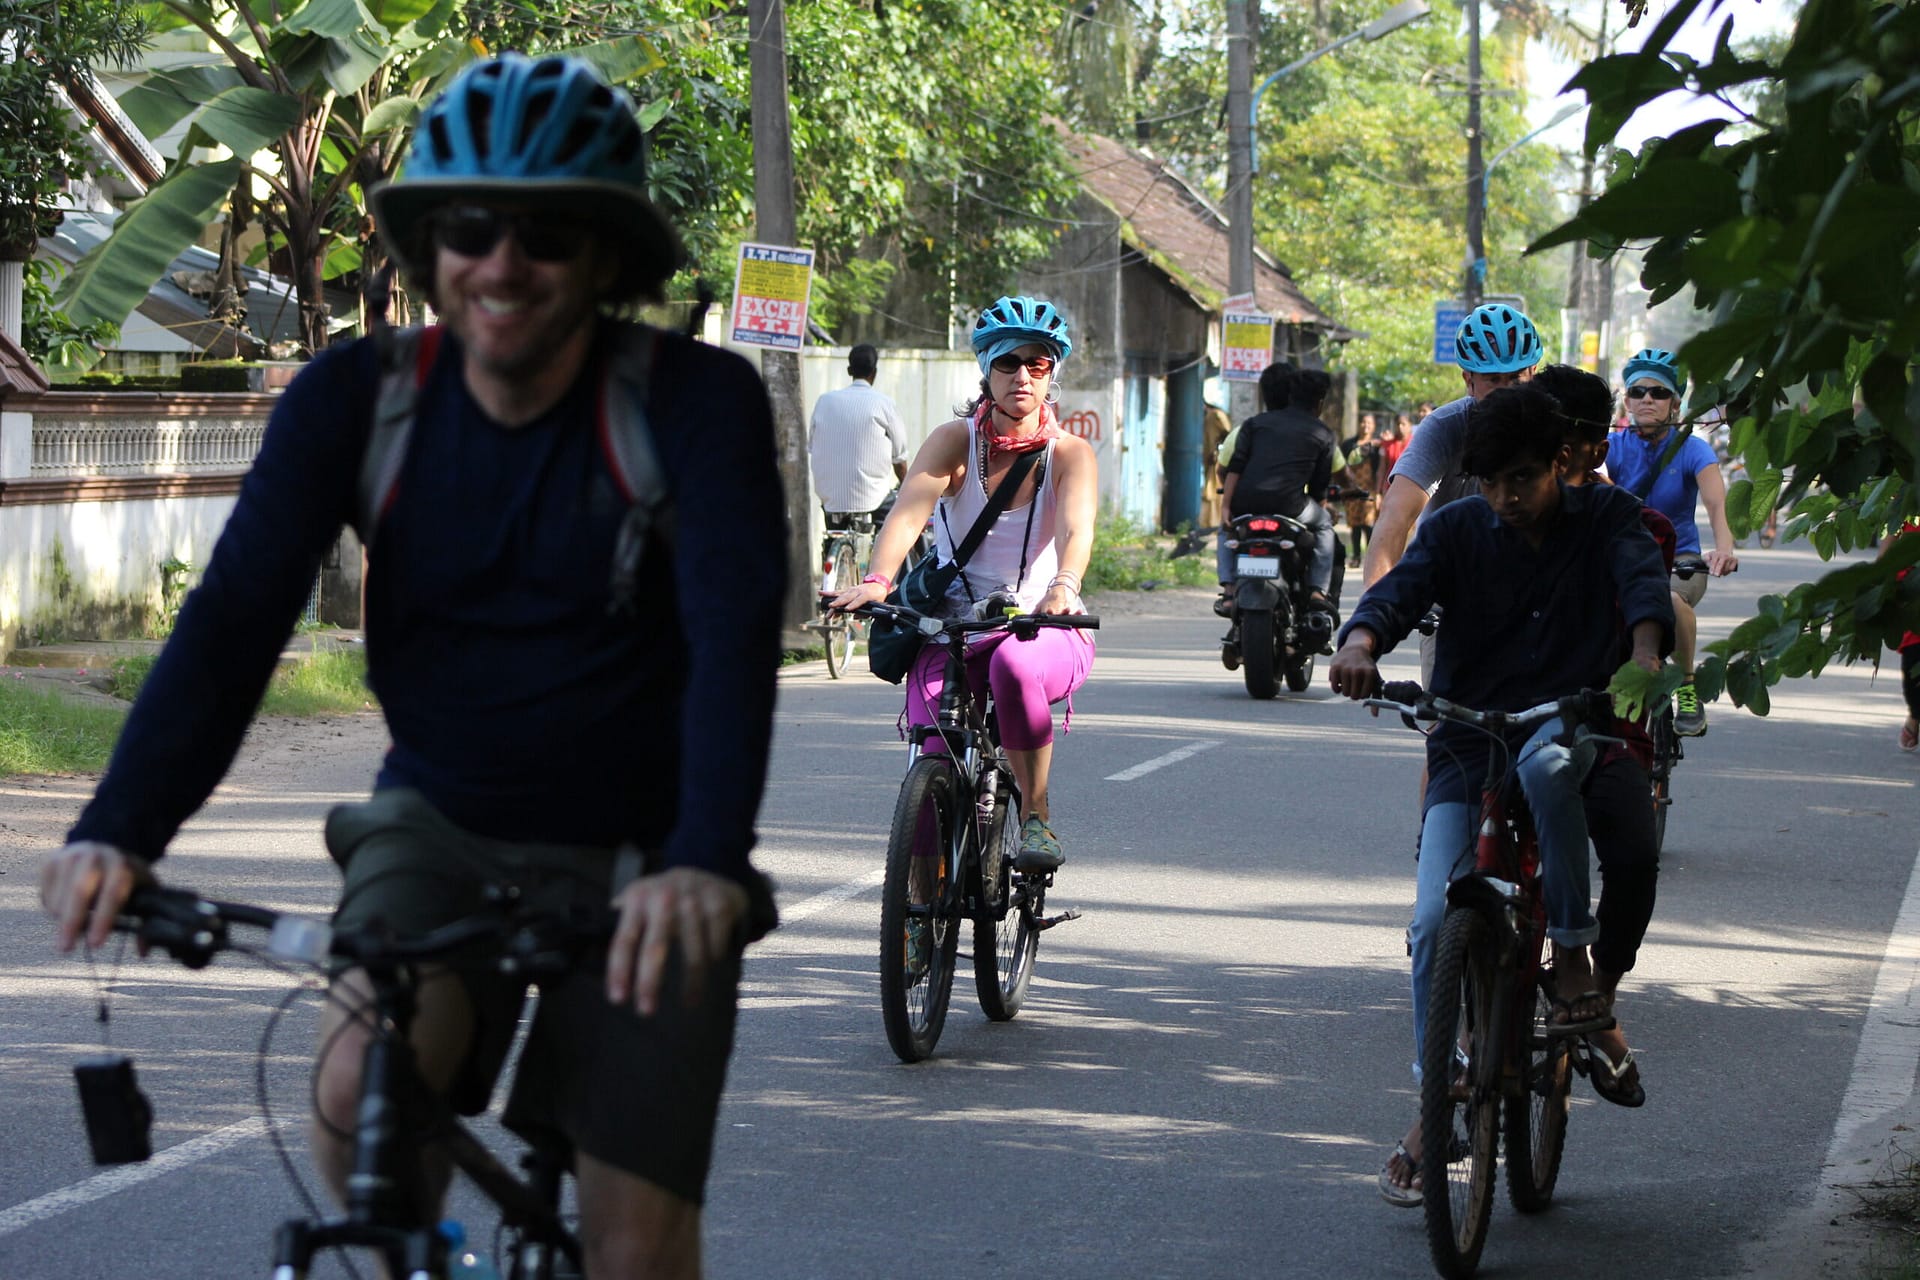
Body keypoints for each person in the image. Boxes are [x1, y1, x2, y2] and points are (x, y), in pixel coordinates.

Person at [38, 54, 784, 1278]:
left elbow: (731, 636)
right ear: (429, 244)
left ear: (606, 257)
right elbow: (231, 627)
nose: (501, 265)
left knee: (635, 1246)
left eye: (546, 233)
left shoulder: (693, 403)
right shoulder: (356, 399)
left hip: (649, 847)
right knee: (351, 1096)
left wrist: (704, 860)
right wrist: (120, 829)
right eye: (471, 228)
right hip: (443, 820)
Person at [1328, 384, 1672, 1206]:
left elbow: (1644, 597)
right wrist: (1361, 640)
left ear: (1563, 462)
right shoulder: (1455, 527)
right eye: (1488, 481)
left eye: (1521, 478)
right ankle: (1438, 1103)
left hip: (1578, 728)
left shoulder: (1609, 520)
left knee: (1628, 851)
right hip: (1470, 740)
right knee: (1429, 924)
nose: (1505, 498)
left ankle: (1592, 983)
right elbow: (1398, 593)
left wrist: (1647, 658)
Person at [830, 295, 1096, 872]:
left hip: (1040, 623)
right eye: (1007, 363)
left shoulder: (1069, 454)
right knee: (931, 750)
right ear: (986, 370)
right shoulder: (956, 440)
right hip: (953, 623)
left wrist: (1065, 585)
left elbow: (1077, 527)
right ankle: (919, 921)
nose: (1022, 376)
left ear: (1052, 373)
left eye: (1038, 363)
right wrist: (878, 580)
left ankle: (1036, 818)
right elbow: (908, 513)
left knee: (1015, 669)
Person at [1605, 348, 1739, 736]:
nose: (1648, 399)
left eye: (1659, 393)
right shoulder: (1612, 446)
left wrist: (1724, 548)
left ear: (1675, 404)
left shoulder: (1693, 448)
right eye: (1639, 391)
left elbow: (1716, 505)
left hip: (1679, 561)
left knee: (1670, 600)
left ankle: (1687, 688)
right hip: (1624, 560)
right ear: (1626, 401)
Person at [1218, 365, 1340, 617]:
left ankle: (1229, 590)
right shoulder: (1322, 433)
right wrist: (1323, 507)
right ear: (1319, 403)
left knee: (1226, 528)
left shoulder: (1254, 424)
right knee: (1325, 525)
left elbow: (1235, 467)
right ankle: (1318, 590)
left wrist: (1226, 506)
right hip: (1290, 507)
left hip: (1245, 503)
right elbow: (1319, 488)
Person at [809, 342, 908, 520]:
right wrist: (907, 487)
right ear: (874, 372)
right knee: (903, 522)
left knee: (834, 536)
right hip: (874, 500)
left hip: (831, 501)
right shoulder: (884, 404)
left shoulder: (824, 402)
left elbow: (811, 447)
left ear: (849, 371)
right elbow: (900, 460)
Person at [1341, 413, 1382, 568]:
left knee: (1369, 524)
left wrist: (1379, 492)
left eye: (1369, 423)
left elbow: (1379, 469)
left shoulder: (1377, 446)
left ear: (1374, 426)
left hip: (1369, 489)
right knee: (1355, 524)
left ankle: (1371, 557)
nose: (1366, 426)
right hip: (1352, 489)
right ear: (1359, 424)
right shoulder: (1348, 445)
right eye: (1363, 422)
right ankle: (1356, 556)